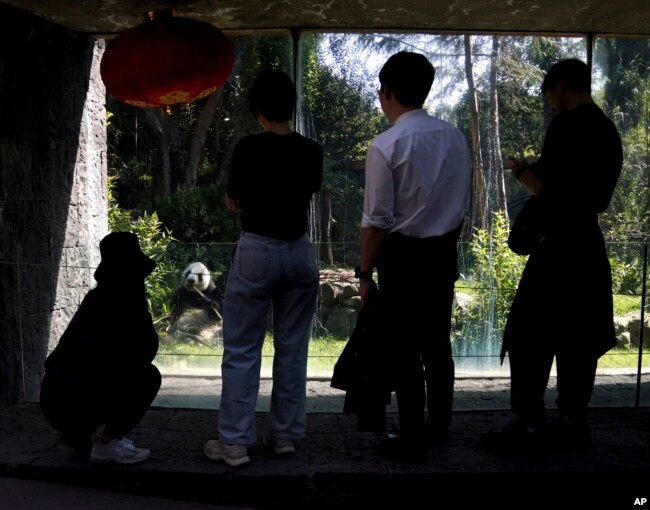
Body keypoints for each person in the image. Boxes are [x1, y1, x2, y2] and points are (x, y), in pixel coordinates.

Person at [481, 59, 623, 452]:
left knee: (529, 336)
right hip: (588, 245)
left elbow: (548, 188)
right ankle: (572, 422)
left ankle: (529, 423)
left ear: (561, 86)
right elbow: (595, 195)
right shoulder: (608, 130)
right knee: (580, 338)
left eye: (549, 94)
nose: (549, 103)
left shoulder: (567, 124)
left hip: (558, 246)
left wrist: (523, 172)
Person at [204, 69, 323, 467]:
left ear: (257, 110)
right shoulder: (311, 150)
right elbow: (303, 193)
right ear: (292, 107)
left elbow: (235, 197)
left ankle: (235, 442)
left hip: (256, 249)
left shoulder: (248, 148)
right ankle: (286, 435)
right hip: (298, 252)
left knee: (241, 349)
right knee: (292, 349)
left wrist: (238, 201)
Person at [357, 51, 472, 462]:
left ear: (386, 92)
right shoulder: (454, 137)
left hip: (401, 257)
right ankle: (439, 424)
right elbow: (460, 204)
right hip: (442, 254)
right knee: (437, 345)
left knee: (403, 349)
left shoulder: (386, 144)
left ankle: (410, 437)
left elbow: (376, 221)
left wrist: (364, 272)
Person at [40, 231, 161, 464]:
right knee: (148, 377)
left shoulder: (95, 298)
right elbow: (145, 351)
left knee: (98, 371)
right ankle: (107, 443)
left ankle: (76, 432)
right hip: (78, 397)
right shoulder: (126, 302)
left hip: (54, 397)